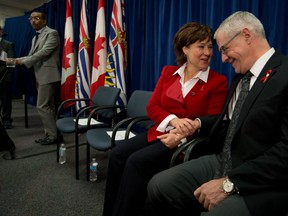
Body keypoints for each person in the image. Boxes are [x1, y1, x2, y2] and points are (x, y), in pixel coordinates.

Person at [146, 11, 288, 216]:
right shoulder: (242, 76)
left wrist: (229, 183)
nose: (221, 58)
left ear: (247, 35)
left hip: (263, 179)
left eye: (224, 49)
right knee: (159, 185)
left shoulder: (283, 74)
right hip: (224, 159)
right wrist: (192, 127)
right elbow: (227, 122)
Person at [103, 22, 228, 216]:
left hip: (188, 143)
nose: (207, 52)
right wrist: (173, 120)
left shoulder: (218, 82)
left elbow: (213, 121)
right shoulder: (168, 73)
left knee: (136, 162)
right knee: (118, 155)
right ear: (185, 49)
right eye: (201, 47)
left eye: (210, 47)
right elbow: (152, 107)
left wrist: (180, 135)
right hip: (160, 132)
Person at [15, 11, 61, 145]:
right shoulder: (35, 38)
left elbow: (44, 52)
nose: (33, 21)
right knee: (49, 107)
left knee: (42, 106)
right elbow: (30, 55)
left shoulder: (52, 33)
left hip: (48, 75)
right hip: (39, 75)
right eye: (31, 19)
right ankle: (53, 133)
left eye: (37, 18)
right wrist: (15, 60)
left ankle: (52, 136)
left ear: (44, 21)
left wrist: (22, 62)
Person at [0, 26, 15, 129]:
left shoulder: (8, 44)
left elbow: (12, 63)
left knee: (6, 100)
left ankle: (6, 120)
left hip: (4, 76)